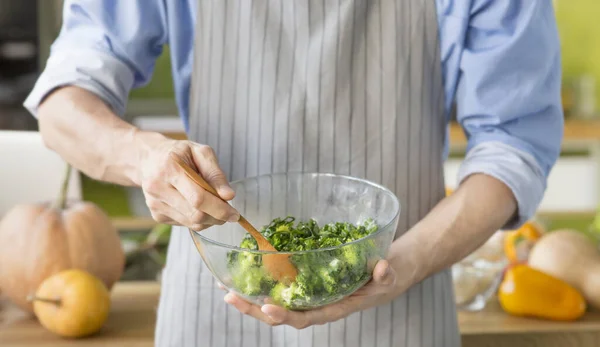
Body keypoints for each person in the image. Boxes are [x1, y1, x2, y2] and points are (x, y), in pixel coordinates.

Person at [24, 0, 563, 346]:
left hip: (401, 299)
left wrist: (405, 260)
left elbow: (513, 144)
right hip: (214, 308)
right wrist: (142, 155)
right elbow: (63, 102)